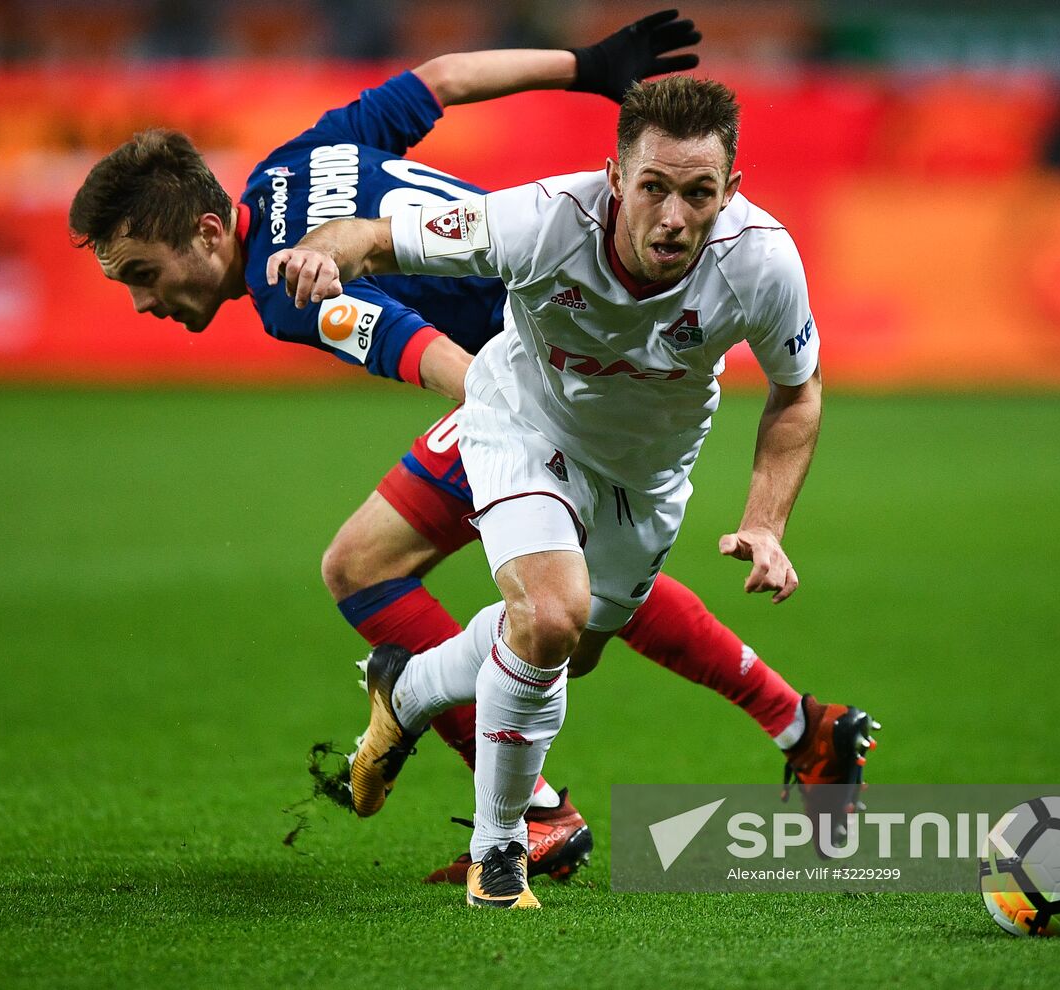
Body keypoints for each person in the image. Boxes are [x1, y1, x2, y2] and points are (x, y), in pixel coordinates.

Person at [69, 13, 863, 891]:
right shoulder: (296, 162)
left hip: (537, 367)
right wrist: (583, 65)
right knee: (565, 600)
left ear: (211, 234)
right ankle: (795, 726)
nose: (146, 303)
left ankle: (523, 800)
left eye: (142, 273)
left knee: (384, 571)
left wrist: (528, 438)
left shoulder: (286, 288)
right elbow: (442, 78)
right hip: (550, 352)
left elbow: (432, 356)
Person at [270, 74, 879, 909]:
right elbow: (374, 239)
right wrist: (321, 253)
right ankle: (503, 851)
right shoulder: (540, 219)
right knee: (548, 615)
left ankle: (405, 692)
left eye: (698, 193)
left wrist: (765, 522)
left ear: (730, 191)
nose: (673, 217)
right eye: (653, 188)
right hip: (522, 427)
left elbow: (797, 390)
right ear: (615, 178)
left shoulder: (763, 262)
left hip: (646, 477)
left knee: (568, 648)